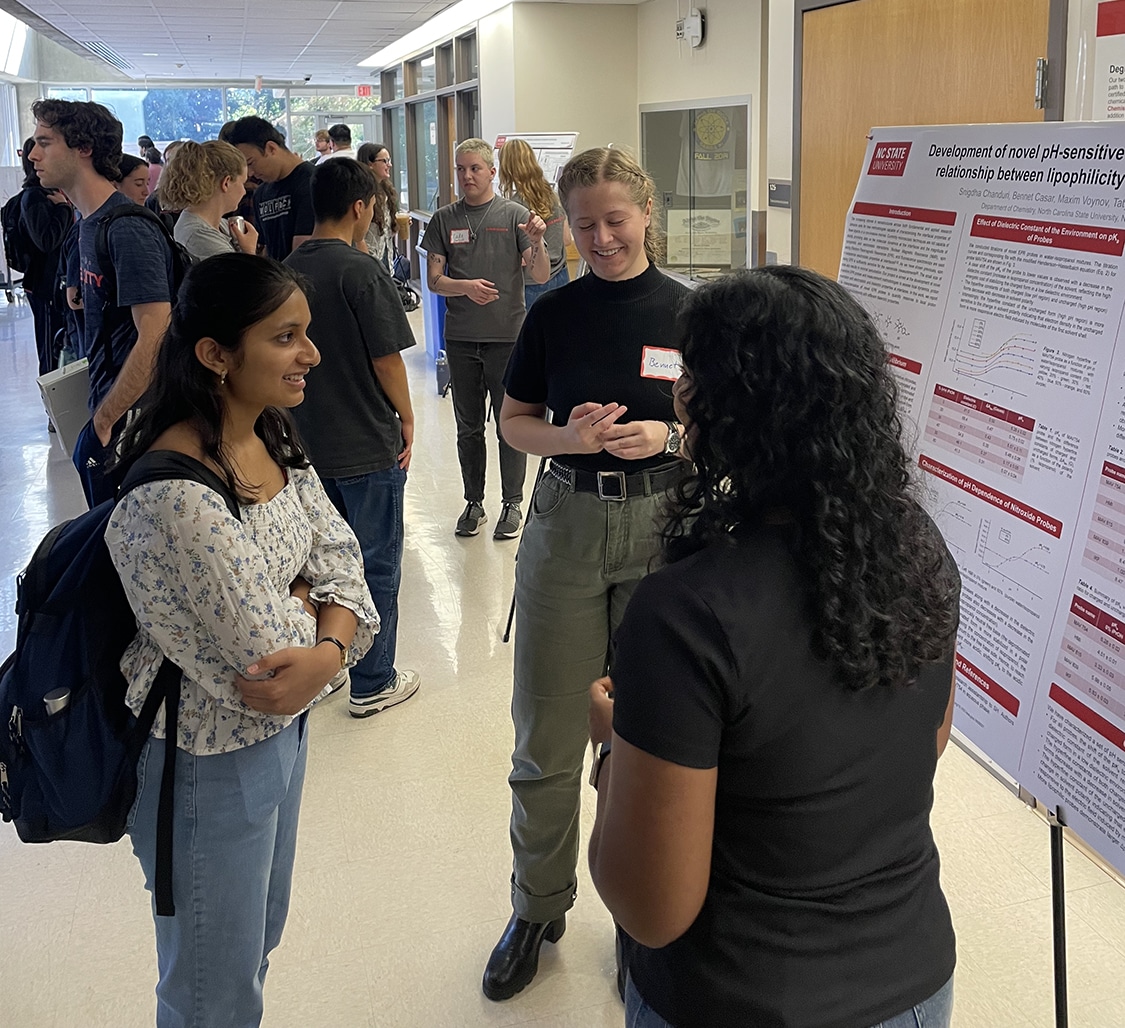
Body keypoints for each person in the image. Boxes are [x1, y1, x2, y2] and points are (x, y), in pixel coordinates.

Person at [586, 266, 961, 1028]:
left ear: (736, 408)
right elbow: (929, 738)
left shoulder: (684, 614)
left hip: (742, 996)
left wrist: (613, 753)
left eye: (691, 375)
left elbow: (651, 909)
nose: (678, 393)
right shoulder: (917, 547)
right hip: (913, 981)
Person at [105, 252, 379, 1028]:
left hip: (278, 736)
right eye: (285, 337)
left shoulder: (270, 433)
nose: (311, 354)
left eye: (307, 333)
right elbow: (266, 659)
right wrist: (320, 619)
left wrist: (320, 641)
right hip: (204, 758)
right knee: (210, 988)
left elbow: (344, 562)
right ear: (216, 354)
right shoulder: (177, 496)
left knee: (253, 944)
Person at [484, 147, 691, 1001]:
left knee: (656, 735)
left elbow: (729, 426)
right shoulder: (553, 314)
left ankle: (653, 914)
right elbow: (513, 422)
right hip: (566, 521)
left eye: (614, 220)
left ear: (646, 212)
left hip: (662, 523)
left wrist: (671, 439)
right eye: (583, 225)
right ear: (564, 225)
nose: (601, 238)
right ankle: (537, 903)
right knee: (545, 733)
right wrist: (569, 438)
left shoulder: (692, 313)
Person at [284, 157, 420, 718]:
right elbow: (387, 361)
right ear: (362, 207)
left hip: (305, 446)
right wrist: (407, 419)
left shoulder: (286, 268)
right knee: (375, 562)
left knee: (318, 566)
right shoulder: (360, 271)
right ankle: (373, 679)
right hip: (365, 442)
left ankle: (327, 666)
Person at [30, 98, 175, 507]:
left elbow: (156, 333)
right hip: (112, 410)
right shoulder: (88, 221)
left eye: (45, 142)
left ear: (84, 148)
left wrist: (106, 418)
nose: (32, 154)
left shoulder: (126, 227)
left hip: (136, 421)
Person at [421, 137, 549, 539]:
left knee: (508, 427)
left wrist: (540, 239)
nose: (466, 176)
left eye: (474, 168)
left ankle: (512, 503)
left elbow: (541, 275)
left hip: (507, 339)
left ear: (492, 171)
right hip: (461, 340)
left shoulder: (514, 216)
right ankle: (473, 502)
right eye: (460, 169)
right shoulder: (444, 219)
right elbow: (435, 280)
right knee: (468, 426)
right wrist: (466, 288)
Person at [16, 135, 74, 376]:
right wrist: (63, 209)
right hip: (44, 286)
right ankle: (54, 406)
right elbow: (47, 241)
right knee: (50, 346)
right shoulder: (35, 197)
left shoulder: (54, 192)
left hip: (57, 285)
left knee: (61, 344)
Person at [498, 138, 571, 308]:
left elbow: (523, 258)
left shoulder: (515, 208)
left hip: (533, 284)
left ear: (505, 168)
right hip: (561, 275)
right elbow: (566, 239)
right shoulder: (553, 195)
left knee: (535, 334)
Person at [228, 116, 314, 259]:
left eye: (251, 163)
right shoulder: (261, 193)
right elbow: (265, 248)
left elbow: (305, 251)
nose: (250, 173)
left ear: (271, 148)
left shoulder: (313, 182)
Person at [160, 140, 259, 260]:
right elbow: (243, 278)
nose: (244, 192)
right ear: (226, 183)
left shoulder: (221, 224)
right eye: (242, 183)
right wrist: (249, 252)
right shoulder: (198, 235)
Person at [356, 141, 397, 269]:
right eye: (385, 161)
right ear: (370, 164)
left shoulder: (387, 191)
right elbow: (358, 236)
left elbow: (385, 233)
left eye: (389, 160)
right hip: (367, 260)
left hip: (385, 258)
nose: (389, 165)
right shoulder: (362, 193)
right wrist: (369, 266)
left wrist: (397, 225)